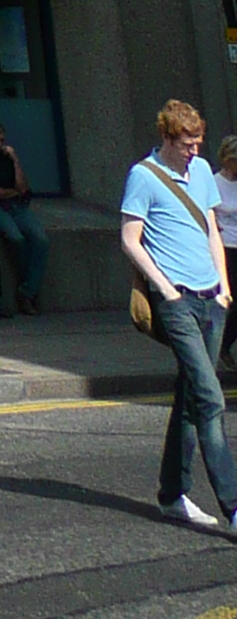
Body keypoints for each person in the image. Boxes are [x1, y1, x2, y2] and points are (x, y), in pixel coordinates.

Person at [122, 96, 237, 532]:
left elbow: (211, 228)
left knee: (191, 397)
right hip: (178, 302)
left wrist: (224, 287)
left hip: (212, 298)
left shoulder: (203, 171)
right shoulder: (144, 177)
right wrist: (165, 290)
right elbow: (130, 240)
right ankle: (233, 506)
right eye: (187, 143)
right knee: (209, 397)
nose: (194, 150)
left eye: (198, 142)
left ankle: (172, 494)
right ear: (167, 138)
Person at [0, 121, 47, 314]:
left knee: (40, 239)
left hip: (16, 207)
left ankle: (27, 291)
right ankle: (27, 291)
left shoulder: (7, 158)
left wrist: (15, 160)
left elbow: (23, 188)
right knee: (16, 238)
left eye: (1, 140)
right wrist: (14, 192)